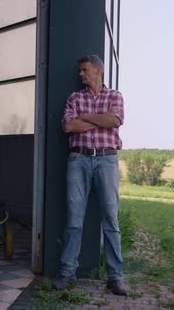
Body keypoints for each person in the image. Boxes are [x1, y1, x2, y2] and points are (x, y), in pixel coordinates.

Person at [52, 55, 128, 296]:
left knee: (110, 218)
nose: (81, 75)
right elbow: (68, 127)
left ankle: (115, 277)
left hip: (106, 160)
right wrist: (101, 121)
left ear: (98, 70)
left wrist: (84, 118)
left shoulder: (115, 96)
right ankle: (67, 273)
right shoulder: (75, 98)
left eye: (85, 70)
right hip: (79, 160)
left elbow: (115, 120)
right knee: (74, 218)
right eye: (80, 71)